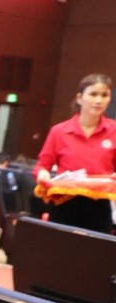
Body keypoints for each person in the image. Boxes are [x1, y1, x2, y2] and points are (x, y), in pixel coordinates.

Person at [34, 73, 116, 234]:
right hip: (64, 204)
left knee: (96, 249)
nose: (99, 100)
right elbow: (42, 166)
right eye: (93, 94)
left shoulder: (114, 131)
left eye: (104, 95)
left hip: (99, 206)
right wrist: (42, 174)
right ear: (79, 98)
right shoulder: (59, 131)